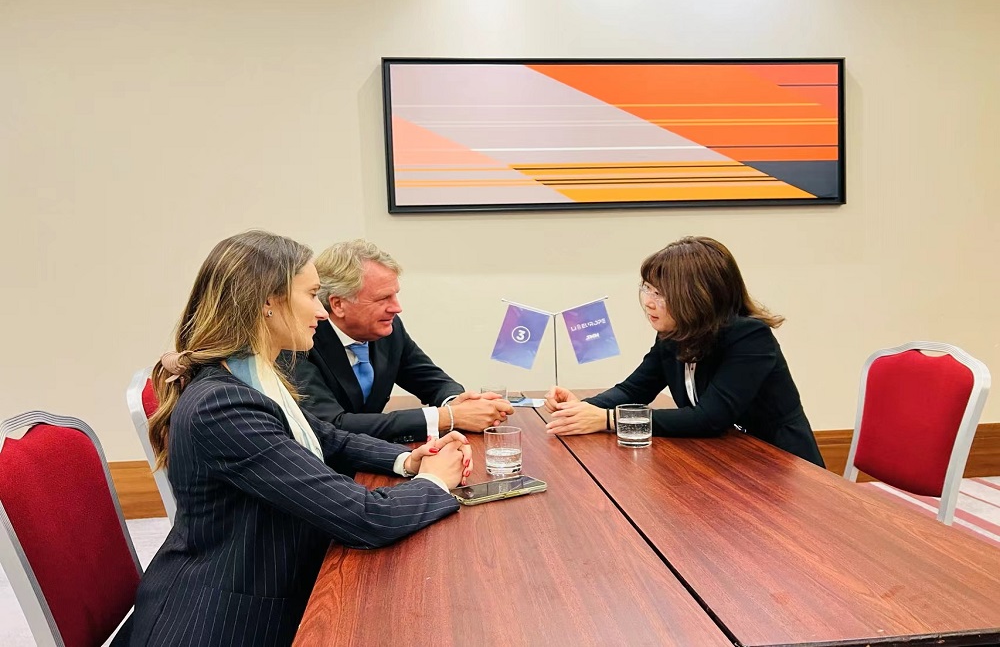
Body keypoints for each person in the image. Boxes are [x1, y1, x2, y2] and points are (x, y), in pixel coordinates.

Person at [118, 231, 472, 647]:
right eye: (311, 295)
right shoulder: (224, 405)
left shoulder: (250, 374)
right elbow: (365, 518)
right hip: (220, 622)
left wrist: (407, 460)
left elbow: (328, 437)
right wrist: (434, 481)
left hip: (265, 582)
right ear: (268, 303)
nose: (322, 311)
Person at [543, 236, 825, 467]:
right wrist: (583, 408)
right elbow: (634, 390)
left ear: (698, 297)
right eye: (647, 289)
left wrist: (609, 420)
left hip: (779, 464)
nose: (648, 302)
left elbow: (709, 418)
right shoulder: (674, 334)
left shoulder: (749, 336)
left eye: (660, 294)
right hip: (728, 459)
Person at [287, 239, 513, 443]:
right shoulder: (298, 341)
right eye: (383, 298)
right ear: (338, 304)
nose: (397, 308)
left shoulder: (388, 329)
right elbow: (332, 425)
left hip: (378, 456)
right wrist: (446, 417)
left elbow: (433, 381)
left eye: (395, 294)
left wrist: (456, 403)